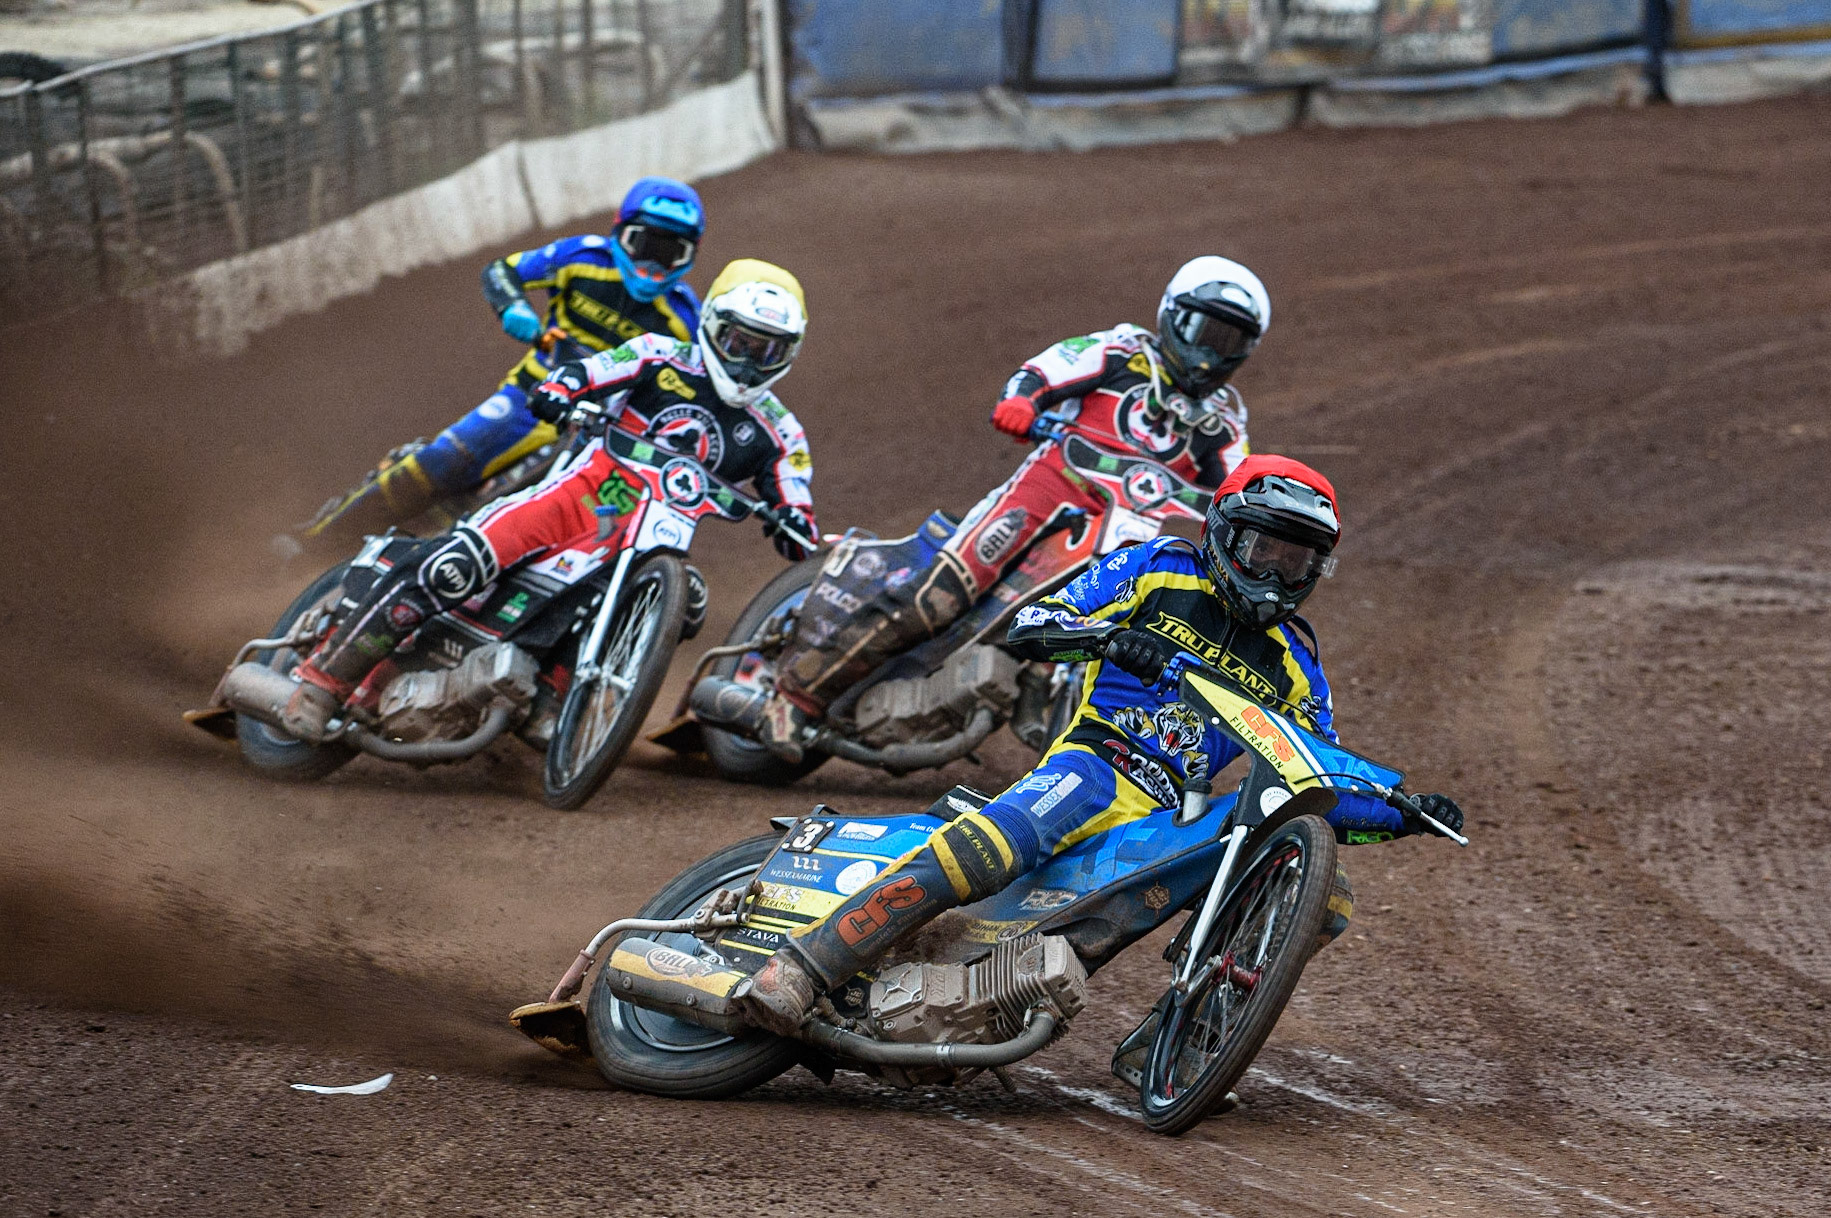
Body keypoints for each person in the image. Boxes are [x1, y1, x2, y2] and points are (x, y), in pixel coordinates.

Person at [738, 454, 1465, 1034]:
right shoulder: (1156, 568)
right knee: (998, 844)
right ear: (1222, 531)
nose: (1276, 575)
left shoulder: (1297, 663)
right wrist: (1115, 637)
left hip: (1172, 811)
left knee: (1322, 891)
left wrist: (1401, 812)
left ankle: (1191, 1034)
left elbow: (1311, 779)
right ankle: (804, 966)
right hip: (1096, 762)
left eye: (1296, 561)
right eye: (1262, 549)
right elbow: (1033, 625)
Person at [264, 260, 818, 743]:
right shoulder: (659, 355)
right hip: (572, 500)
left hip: (647, 543)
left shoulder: (780, 430)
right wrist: (563, 386)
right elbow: (593, 369)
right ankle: (323, 681)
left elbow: (796, 495)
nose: (747, 362)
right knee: (455, 567)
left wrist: (795, 522)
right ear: (712, 326)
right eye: (739, 342)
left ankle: (552, 702)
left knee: (684, 602)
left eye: (766, 350)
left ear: (788, 354)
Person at [755, 255, 1268, 761]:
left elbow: (1239, 485)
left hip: (1124, 528)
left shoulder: (1222, 421)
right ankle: (795, 698)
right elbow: (1048, 369)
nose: (1211, 353)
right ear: (1174, 315)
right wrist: (1023, 401)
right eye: (1206, 331)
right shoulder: (1123, 352)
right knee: (938, 597)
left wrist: (1253, 525)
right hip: (1051, 490)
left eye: (1231, 342)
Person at [300, 177, 708, 548]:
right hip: (529, 397)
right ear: (620, 232)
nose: (652, 266)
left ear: (690, 257)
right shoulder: (580, 258)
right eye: (645, 245)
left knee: (524, 514)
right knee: (439, 463)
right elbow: (502, 272)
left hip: (598, 435)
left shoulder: (684, 318)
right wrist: (518, 314)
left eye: (671, 253)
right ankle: (320, 541)